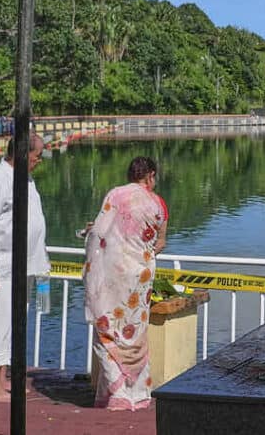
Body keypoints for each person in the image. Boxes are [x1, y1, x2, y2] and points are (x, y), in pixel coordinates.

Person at [83, 156, 167, 411]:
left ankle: (118, 392)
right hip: (139, 278)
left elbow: (99, 232)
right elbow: (159, 243)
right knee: (135, 332)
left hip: (111, 275)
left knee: (107, 328)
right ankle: (139, 394)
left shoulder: (115, 195)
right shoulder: (157, 204)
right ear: (150, 176)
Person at [0, 135, 50, 402]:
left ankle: (4, 378)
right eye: (36, 156)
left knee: (15, 322)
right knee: (0, 321)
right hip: (4, 266)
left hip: (26, 265)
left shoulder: (24, 179)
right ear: (21, 153)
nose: (39, 161)